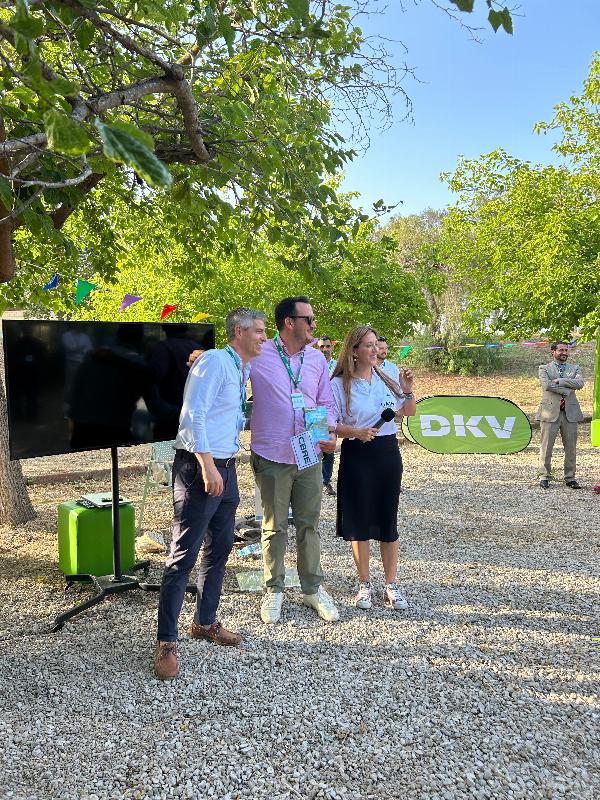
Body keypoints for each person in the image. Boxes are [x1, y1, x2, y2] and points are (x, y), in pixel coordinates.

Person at [154, 308, 267, 680]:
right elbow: (193, 415)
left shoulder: (239, 366)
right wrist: (206, 465)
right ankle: (166, 642)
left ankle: (205, 623)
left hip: (226, 467)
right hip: (201, 467)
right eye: (259, 331)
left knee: (219, 548)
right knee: (182, 556)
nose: (264, 337)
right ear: (238, 331)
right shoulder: (216, 362)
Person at [250, 296, 339, 625]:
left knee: (308, 524)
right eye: (309, 319)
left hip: (309, 455)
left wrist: (329, 432)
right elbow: (229, 373)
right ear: (289, 322)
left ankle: (312, 589)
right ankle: (273, 589)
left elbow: (325, 401)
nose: (314, 325)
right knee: (274, 526)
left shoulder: (316, 358)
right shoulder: (258, 353)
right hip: (271, 454)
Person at [331, 325, 416, 611]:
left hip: (387, 453)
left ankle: (391, 584)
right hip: (357, 454)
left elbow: (408, 411)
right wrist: (356, 432)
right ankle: (364, 584)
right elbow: (331, 424)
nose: (375, 349)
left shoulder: (386, 377)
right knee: (359, 522)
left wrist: (407, 390)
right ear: (354, 351)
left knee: (387, 519)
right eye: (368, 345)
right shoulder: (339, 384)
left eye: (375, 344)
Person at [536, 341, 584, 489]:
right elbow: (547, 385)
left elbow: (580, 383)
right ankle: (544, 476)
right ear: (553, 352)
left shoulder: (575, 368)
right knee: (546, 447)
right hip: (549, 413)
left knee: (571, 448)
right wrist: (566, 390)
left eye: (566, 350)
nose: (564, 353)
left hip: (570, 413)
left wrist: (561, 380)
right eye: (561, 350)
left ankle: (570, 478)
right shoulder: (544, 368)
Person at [317, 335, 337, 496]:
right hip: (316, 412)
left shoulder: (338, 367)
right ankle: (313, 481)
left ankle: (325, 481)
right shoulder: (312, 363)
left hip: (332, 412)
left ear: (332, 347)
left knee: (329, 448)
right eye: (322, 346)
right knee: (316, 447)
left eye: (327, 346)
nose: (325, 349)